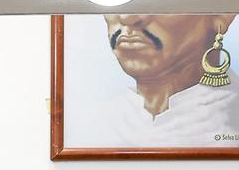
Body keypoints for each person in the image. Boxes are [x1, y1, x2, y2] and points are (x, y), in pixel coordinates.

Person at [84, 13, 239, 148]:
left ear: (223, 14)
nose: (127, 17)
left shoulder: (229, 123)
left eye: (165, 1)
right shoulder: (91, 126)